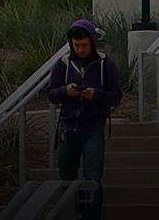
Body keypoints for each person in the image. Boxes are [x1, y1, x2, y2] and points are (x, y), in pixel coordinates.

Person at [48, 20, 122, 220]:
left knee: (93, 178)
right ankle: (70, 213)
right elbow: (51, 95)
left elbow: (115, 96)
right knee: (66, 179)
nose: (80, 49)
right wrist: (66, 91)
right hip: (67, 128)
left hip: (93, 129)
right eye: (76, 45)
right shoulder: (63, 64)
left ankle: (91, 216)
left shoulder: (106, 64)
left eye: (84, 45)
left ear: (92, 42)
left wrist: (95, 95)